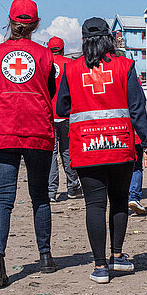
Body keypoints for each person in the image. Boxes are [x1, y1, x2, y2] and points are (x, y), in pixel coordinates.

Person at [56, 17, 147, 284]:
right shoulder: (126, 66)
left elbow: (61, 109)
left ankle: (100, 267)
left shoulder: (72, 69)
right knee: (120, 200)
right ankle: (118, 256)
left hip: (86, 148)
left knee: (95, 205)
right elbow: (137, 108)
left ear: (83, 40)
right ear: (109, 38)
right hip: (120, 146)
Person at [0, 0, 58, 287]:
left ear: (10, 22)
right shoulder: (45, 56)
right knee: (40, 195)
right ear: (36, 24)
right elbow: (52, 94)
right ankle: (46, 257)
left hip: (1, 131)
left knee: (4, 199)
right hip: (37, 131)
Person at [47, 36, 83, 201]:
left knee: (51, 154)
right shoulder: (70, 65)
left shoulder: (43, 64)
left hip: (47, 115)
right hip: (66, 114)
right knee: (68, 152)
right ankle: (72, 187)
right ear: (62, 49)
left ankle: (51, 191)